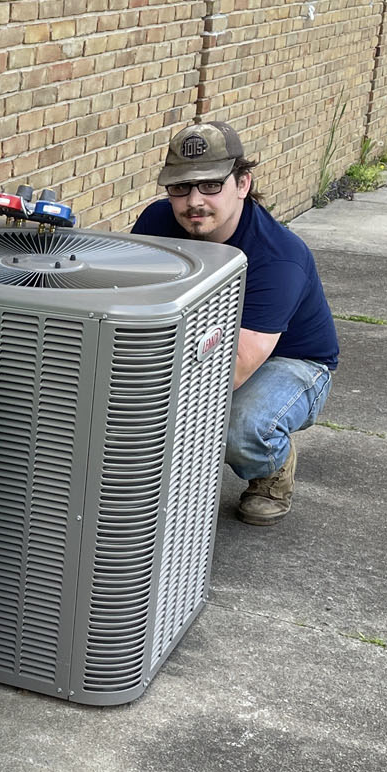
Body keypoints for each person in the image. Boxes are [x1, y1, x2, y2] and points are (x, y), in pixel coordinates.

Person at [132, 121, 338, 525]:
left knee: (241, 427)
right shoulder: (157, 223)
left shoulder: (278, 256)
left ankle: (271, 469)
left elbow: (237, 368)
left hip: (291, 361)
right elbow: (135, 296)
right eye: (180, 187)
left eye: (211, 185)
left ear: (242, 183)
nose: (194, 201)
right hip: (199, 339)